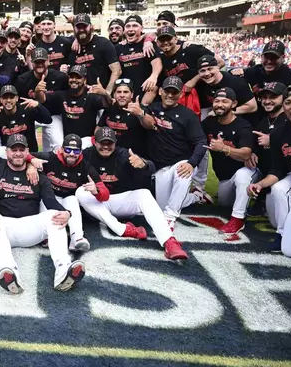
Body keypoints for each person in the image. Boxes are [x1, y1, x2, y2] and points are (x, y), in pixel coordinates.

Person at [0, 133, 84, 294]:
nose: (18, 153)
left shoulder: (39, 177)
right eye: (14, 150)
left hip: (31, 228)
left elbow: (50, 202)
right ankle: (10, 272)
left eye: (22, 149)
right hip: (5, 229)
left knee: (53, 215)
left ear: (27, 152)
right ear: (7, 152)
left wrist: (66, 213)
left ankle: (63, 270)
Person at [77, 127, 188, 260]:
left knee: (144, 194)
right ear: (95, 142)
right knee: (81, 192)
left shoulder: (123, 154)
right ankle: (123, 229)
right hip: (95, 203)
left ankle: (169, 241)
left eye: (109, 143)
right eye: (102, 143)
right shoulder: (86, 154)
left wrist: (143, 164)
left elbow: (151, 168)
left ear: (115, 142)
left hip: (120, 203)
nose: (106, 147)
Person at [247, 85, 291, 263]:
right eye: (288, 102)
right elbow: (278, 170)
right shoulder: (278, 134)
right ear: (284, 107)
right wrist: (260, 184)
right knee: (290, 249)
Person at [137, 76, 207, 230]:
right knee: (163, 203)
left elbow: (201, 142)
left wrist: (191, 163)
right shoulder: (152, 109)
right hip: (161, 167)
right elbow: (144, 121)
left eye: (174, 92)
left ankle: (170, 218)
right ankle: (195, 197)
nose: (170, 95)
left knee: (182, 174)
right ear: (160, 91)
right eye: (167, 91)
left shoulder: (188, 115)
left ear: (181, 94)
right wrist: (141, 109)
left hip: (180, 162)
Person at [28, 134, 105, 251]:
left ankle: (77, 238)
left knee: (73, 200)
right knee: (45, 201)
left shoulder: (85, 166)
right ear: (61, 149)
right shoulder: (50, 157)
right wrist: (31, 163)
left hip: (68, 198)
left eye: (76, 151)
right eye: (68, 150)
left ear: (81, 152)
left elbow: (105, 193)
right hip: (49, 196)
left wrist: (96, 191)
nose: (72, 154)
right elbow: (23, 155)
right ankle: (46, 236)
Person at [201, 88, 256, 236]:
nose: (220, 104)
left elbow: (246, 154)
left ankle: (238, 219)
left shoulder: (243, 125)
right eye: (217, 101)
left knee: (242, 176)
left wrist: (224, 148)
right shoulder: (209, 123)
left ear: (234, 104)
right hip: (224, 177)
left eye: (225, 101)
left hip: (247, 170)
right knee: (224, 204)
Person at [37, 64, 111, 146]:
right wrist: (38, 91)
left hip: (87, 141)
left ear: (85, 80)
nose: (74, 80)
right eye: (71, 77)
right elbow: (42, 99)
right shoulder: (62, 95)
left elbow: (108, 104)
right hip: (68, 140)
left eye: (78, 77)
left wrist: (105, 94)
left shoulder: (91, 96)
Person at [245, 82, 288, 217]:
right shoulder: (264, 121)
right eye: (264, 98)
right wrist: (252, 153)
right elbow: (256, 146)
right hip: (268, 173)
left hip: (288, 175)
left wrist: (272, 140)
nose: (267, 101)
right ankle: (261, 197)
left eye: (273, 97)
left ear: (284, 98)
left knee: (277, 220)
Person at [15, 47, 68, 151]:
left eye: (42, 61)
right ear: (31, 62)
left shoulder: (60, 77)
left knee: (58, 144)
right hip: (31, 117)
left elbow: (68, 95)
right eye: (36, 62)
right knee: (25, 146)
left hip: (53, 115)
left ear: (48, 60)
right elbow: (19, 102)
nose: (40, 64)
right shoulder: (23, 79)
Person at [155, 26, 223, 100]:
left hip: (203, 100)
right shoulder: (159, 60)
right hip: (179, 102)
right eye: (162, 40)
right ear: (157, 42)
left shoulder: (191, 49)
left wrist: (194, 80)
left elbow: (220, 62)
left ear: (176, 39)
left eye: (169, 39)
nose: (165, 42)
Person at [0, 84, 51, 155]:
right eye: (5, 97)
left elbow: (48, 120)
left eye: (11, 97)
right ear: (0, 99)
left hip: (30, 152)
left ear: (17, 98)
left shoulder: (26, 109)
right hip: (10, 154)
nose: (8, 100)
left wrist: (38, 105)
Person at [114, 15, 161, 104]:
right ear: (124, 30)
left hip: (146, 94)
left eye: (135, 26)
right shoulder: (118, 48)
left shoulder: (148, 44)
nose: (131, 29)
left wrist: (154, 76)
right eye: (128, 26)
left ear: (141, 29)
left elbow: (157, 61)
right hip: (126, 97)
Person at [68, 14, 121, 93]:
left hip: (100, 95)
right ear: (74, 28)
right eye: (79, 27)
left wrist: (107, 92)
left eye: (84, 26)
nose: (81, 30)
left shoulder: (104, 43)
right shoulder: (72, 47)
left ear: (91, 27)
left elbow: (117, 70)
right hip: (80, 97)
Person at [97, 78, 148, 157]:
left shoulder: (139, 109)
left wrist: (140, 114)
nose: (122, 95)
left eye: (126, 92)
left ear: (132, 94)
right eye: (118, 92)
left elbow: (150, 125)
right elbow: (98, 129)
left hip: (134, 157)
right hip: (111, 154)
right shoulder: (110, 108)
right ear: (114, 94)